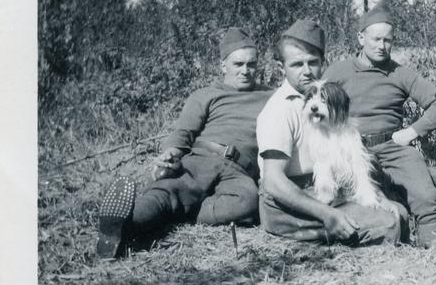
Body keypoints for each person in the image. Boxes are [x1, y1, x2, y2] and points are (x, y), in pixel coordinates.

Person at [96, 28, 273, 259]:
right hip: (202, 159)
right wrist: (170, 155)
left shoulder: (271, 96)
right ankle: (121, 226)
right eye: (238, 64)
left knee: (248, 204)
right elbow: (183, 133)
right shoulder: (205, 95)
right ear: (223, 66)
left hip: (240, 170)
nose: (245, 71)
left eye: (251, 65)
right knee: (166, 192)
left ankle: (175, 214)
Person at [256, 20, 401, 246]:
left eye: (312, 62)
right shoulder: (278, 110)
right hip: (289, 198)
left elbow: (347, 160)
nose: (306, 71)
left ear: (323, 62)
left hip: (326, 188)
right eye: (296, 64)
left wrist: (378, 198)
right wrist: (327, 215)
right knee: (387, 223)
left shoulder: (327, 100)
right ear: (280, 67)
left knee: (398, 212)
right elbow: (273, 182)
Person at [325, 5, 436, 247]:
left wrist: (412, 131)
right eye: (376, 39)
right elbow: (313, 106)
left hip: (391, 149)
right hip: (351, 151)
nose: (381, 46)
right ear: (361, 38)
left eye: (388, 40)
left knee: (427, 198)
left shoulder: (401, 74)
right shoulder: (338, 71)